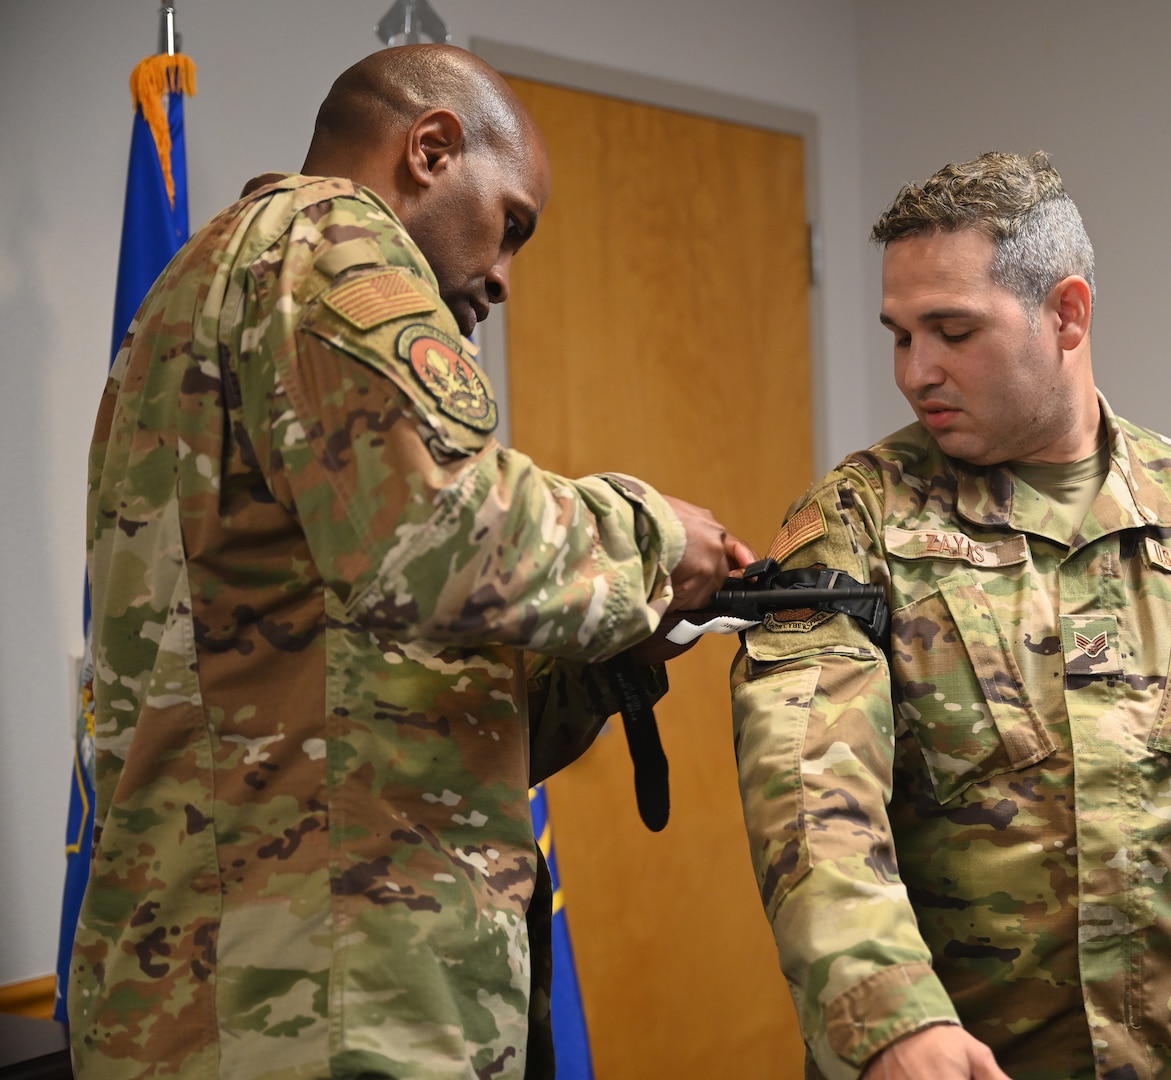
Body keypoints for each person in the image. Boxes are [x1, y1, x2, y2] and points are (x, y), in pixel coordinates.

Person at [71, 45, 751, 1079]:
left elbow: (375, 692)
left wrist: (618, 648)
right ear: (431, 149)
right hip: (315, 1002)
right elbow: (437, 539)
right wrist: (654, 533)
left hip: (231, 989)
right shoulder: (332, 245)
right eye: (510, 223)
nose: (504, 277)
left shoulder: (203, 285)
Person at [730, 152, 1171, 1080]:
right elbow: (811, 806)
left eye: (951, 330)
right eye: (899, 335)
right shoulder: (856, 523)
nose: (915, 370)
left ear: (1066, 314)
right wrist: (889, 1021)